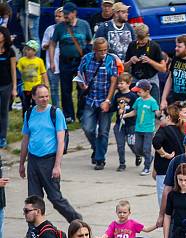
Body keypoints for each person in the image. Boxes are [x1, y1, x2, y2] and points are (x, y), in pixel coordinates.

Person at [18, 85, 81, 225]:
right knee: (33, 200)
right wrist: (22, 163)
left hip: (49, 160)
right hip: (33, 160)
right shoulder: (29, 113)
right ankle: (33, 231)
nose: (44, 99)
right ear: (33, 97)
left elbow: (60, 141)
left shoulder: (55, 113)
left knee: (55, 198)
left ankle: (77, 222)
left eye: (46, 96)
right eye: (41, 96)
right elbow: (25, 140)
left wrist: (57, 166)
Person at [77, 37, 119, 171]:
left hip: (104, 100)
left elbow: (114, 81)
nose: (103, 53)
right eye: (100, 50)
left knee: (103, 131)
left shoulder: (110, 60)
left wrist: (108, 100)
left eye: (105, 50)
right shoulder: (87, 59)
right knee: (88, 128)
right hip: (90, 99)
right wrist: (81, 84)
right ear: (94, 50)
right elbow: (79, 74)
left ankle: (100, 159)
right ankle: (96, 149)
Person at [49, 2, 92, 123]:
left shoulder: (84, 25)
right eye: (64, 14)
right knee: (66, 89)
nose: (66, 16)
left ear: (74, 13)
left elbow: (90, 42)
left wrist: (90, 60)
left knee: (82, 89)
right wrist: (52, 61)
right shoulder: (60, 27)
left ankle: (82, 114)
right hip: (65, 61)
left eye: (68, 14)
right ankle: (68, 115)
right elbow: (52, 44)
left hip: (80, 61)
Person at [153, 103, 186, 206]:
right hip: (178, 170)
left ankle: (165, 219)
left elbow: (156, 142)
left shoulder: (164, 130)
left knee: (164, 199)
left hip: (164, 171)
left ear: (168, 117)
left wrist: (164, 154)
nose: (159, 120)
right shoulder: (180, 131)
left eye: (161, 117)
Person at [125, 79, 160, 176]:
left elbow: (157, 111)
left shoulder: (152, 101)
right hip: (138, 128)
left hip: (148, 129)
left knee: (146, 148)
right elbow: (134, 111)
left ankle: (147, 167)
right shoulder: (138, 100)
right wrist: (125, 115)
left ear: (147, 91)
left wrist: (159, 114)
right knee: (137, 148)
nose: (138, 93)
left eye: (139, 92)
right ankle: (149, 157)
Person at [124, 24, 167, 102]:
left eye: (143, 41)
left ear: (148, 35)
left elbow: (163, 69)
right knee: (135, 107)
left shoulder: (155, 46)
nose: (140, 43)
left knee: (153, 107)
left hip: (151, 80)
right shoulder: (132, 45)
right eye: (138, 40)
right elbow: (124, 68)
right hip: (136, 80)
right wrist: (130, 61)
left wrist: (150, 61)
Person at [112, 72, 138, 171]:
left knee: (132, 144)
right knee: (120, 145)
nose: (119, 85)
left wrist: (127, 114)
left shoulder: (133, 96)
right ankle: (122, 163)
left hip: (131, 124)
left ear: (128, 83)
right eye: (118, 83)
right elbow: (114, 107)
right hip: (119, 124)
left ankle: (138, 154)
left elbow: (136, 110)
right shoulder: (117, 95)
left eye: (122, 83)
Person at [41, 7, 64, 110]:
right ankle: (56, 109)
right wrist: (50, 43)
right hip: (52, 64)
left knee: (65, 90)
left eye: (60, 16)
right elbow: (43, 46)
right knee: (54, 89)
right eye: (56, 16)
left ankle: (68, 112)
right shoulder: (50, 29)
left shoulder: (68, 29)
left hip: (64, 64)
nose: (57, 18)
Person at [19, 40, 46, 116]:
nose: (26, 51)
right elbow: (18, 73)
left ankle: (36, 118)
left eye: (29, 49)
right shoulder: (21, 61)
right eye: (26, 49)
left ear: (34, 51)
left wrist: (45, 84)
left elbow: (43, 72)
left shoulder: (39, 61)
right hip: (25, 88)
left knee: (36, 104)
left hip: (36, 88)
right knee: (25, 105)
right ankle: (26, 119)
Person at [1, 32, 19, 141]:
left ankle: (3, 137)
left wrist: (14, 88)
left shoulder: (10, 51)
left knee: (4, 111)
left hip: (6, 85)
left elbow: (13, 71)